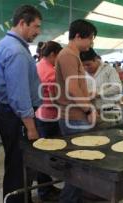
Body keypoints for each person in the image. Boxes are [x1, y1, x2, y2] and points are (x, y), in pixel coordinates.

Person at [0, 5, 42, 203]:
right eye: (35, 26)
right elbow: (19, 95)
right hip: (16, 116)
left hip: (7, 112)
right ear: (22, 23)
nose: (38, 32)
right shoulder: (17, 51)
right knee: (19, 166)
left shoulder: (4, 44)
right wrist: (30, 127)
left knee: (14, 164)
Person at [55, 19, 98, 203]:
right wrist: (88, 110)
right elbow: (72, 89)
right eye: (90, 39)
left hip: (75, 115)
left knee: (80, 164)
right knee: (79, 166)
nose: (91, 43)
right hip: (74, 117)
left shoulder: (73, 55)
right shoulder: (68, 56)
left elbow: (76, 87)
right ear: (78, 36)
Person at [35, 41, 62, 201]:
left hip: (40, 113)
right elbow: (55, 99)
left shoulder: (39, 65)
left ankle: (45, 188)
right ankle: (46, 191)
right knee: (50, 155)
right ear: (53, 54)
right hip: (50, 116)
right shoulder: (51, 72)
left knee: (42, 153)